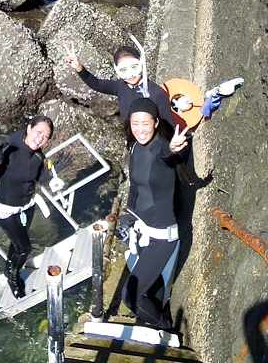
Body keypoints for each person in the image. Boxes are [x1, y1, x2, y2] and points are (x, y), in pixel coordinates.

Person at [121, 97, 189, 330]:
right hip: (141, 229)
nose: (140, 129)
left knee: (130, 297)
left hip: (161, 237)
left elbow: (165, 152)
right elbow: (134, 187)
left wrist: (173, 148)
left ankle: (164, 327)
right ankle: (157, 314)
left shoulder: (160, 147)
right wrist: (128, 215)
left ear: (156, 122)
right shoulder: (134, 147)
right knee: (151, 285)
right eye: (135, 123)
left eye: (145, 123)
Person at [0, 115, 62, 300]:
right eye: (38, 132)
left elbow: (38, 178)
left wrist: (54, 170)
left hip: (27, 205)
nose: (40, 138)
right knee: (24, 248)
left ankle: (8, 267)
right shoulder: (10, 150)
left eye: (46, 136)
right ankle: (13, 277)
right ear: (28, 128)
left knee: (17, 243)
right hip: (6, 208)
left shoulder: (39, 155)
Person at [63, 42, 174, 125]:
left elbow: (170, 126)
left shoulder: (157, 93)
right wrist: (79, 68)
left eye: (134, 67)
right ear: (117, 70)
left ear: (141, 64)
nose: (130, 74)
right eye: (124, 70)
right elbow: (96, 84)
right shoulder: (120, 86)